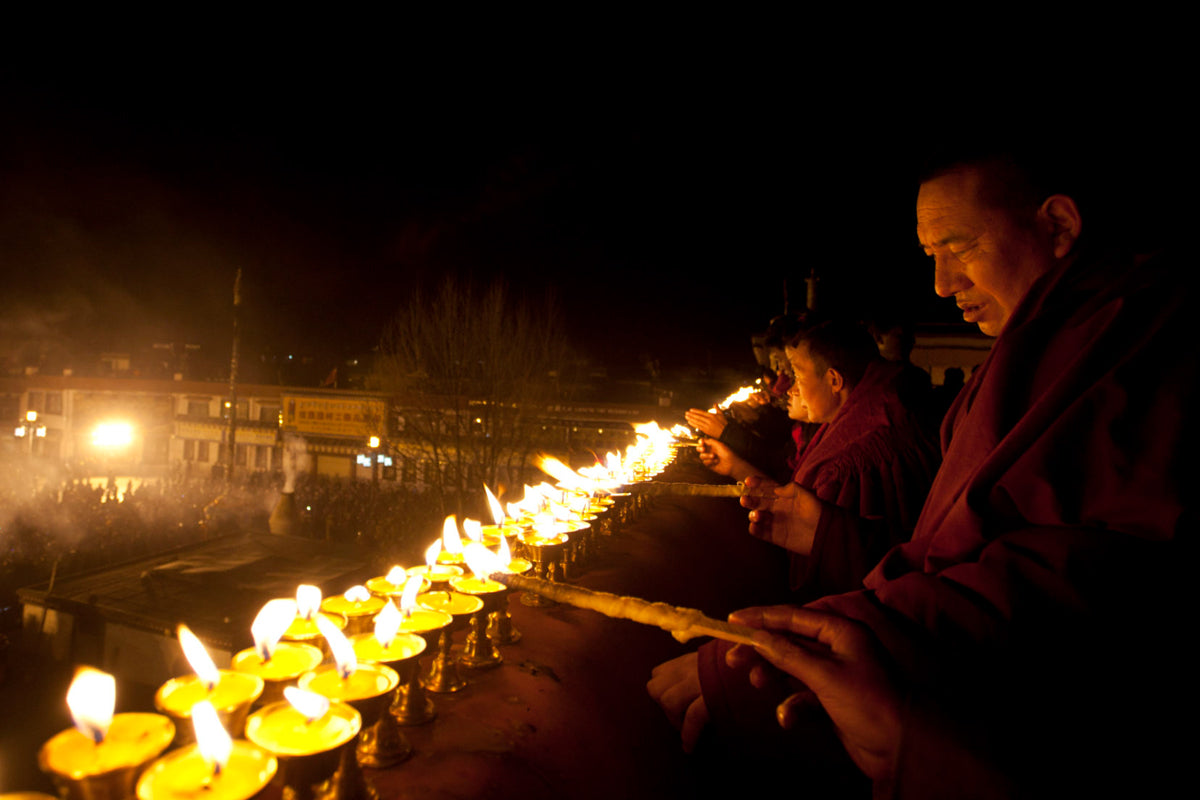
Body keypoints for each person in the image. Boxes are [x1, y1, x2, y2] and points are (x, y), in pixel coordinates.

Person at [650, 142, 1196, 797]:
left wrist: (843, 635)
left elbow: (1099, 577)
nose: (941, 284)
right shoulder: (1029, 350)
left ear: (1058, 225)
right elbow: (943, 539)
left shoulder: (1143, 351)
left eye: (958, 246)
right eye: (928, 256)